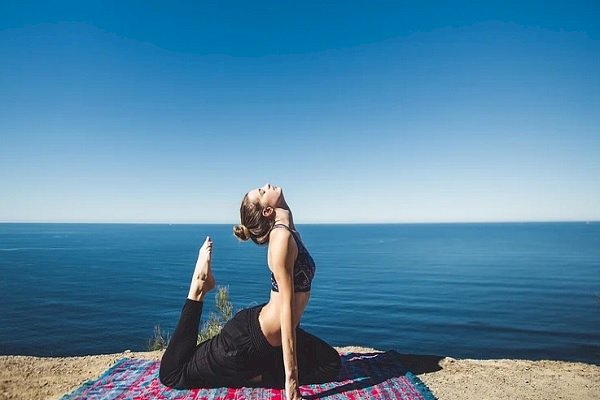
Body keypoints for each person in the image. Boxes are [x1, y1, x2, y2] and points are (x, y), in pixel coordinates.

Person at [159, 183, 341, 399]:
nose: (266, 186)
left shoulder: (286, 227)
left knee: (331, 363)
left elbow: (285, 213)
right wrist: (291, 384)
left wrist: (279, 207)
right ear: (267, 211)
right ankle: (198, 287)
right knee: (173, 374)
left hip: (268, 337)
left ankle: (253, 374)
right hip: (246, 342)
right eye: (262, 192)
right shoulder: (280, 239)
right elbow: (287, 310)